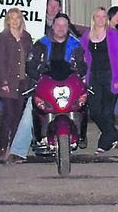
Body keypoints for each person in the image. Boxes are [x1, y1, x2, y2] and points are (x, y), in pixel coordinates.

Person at [22, 13, 87, 151]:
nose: (61, 28)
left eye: (64, 25)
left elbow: (82, 64)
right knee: (28, 116)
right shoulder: (41, 44)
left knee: (84, 103)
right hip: (46, 85)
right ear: (53, 25)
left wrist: (80, 72)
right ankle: (24, 146)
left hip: (68, 85)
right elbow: (30, 64)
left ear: (68, 27)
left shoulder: (76, 44)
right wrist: (37, 76)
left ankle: (80, 134)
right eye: (58, 25)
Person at [81, 7, 118, 154]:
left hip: (110, 76)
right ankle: (113, 134)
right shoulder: (86, 35)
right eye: (98, 16)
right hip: (93, 76)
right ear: (93, 18)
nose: (100, 19)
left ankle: (105, 142)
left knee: (107, 111)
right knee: (94, 111)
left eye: (103, 16)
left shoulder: (113, 34)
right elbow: (82, 56)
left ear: (106, 18)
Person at [0, 7, 33, 160]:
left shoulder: (26, 37)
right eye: (12, 18)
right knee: (8, 115)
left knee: (19, 116)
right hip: (8, 82)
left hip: (23, 81)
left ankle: (15, 146)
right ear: (8, 20)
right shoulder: (3, 37)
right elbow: (0, 61)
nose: (15, 21)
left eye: (17, 18)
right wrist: (4, 80)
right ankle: (3, 146)